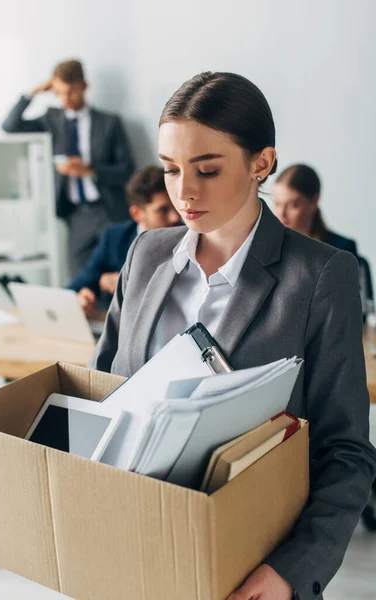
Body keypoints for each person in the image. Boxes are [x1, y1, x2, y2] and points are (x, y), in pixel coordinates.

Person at [90, 72, 376, 599]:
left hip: (248, 570)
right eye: (171, 170)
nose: (184, 192)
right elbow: (103, 397)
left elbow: (346, 452)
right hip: (129, 553)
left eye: (207, 169)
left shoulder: (321, 275)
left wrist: (291, 571)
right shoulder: (145, 254)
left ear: (261, 163)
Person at [2, 59, 135, 276]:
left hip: (109, 210)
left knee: (122, 277)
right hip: (76, 216)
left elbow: (128, 170)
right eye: (59, 93)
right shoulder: (51, 119)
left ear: (84, 86)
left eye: (71, 92)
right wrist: (34, 92)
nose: (65, 99)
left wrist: (90, 169)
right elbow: (10, 126)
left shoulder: (109, 122)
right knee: (80, 280)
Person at [68, 165, 181, 315]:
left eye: (176, 206)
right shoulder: (115, 236)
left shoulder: (188, 237)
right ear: (136, 214)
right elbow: (80, 283)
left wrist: (127, 285)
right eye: (163, 210)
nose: (175, 217)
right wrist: (81, 297)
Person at [273, 164, 358, 256]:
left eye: (293, 205)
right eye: (277, 204)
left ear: (314, 201)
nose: (282, 213)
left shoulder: (342, 249)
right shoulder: (266, 246)